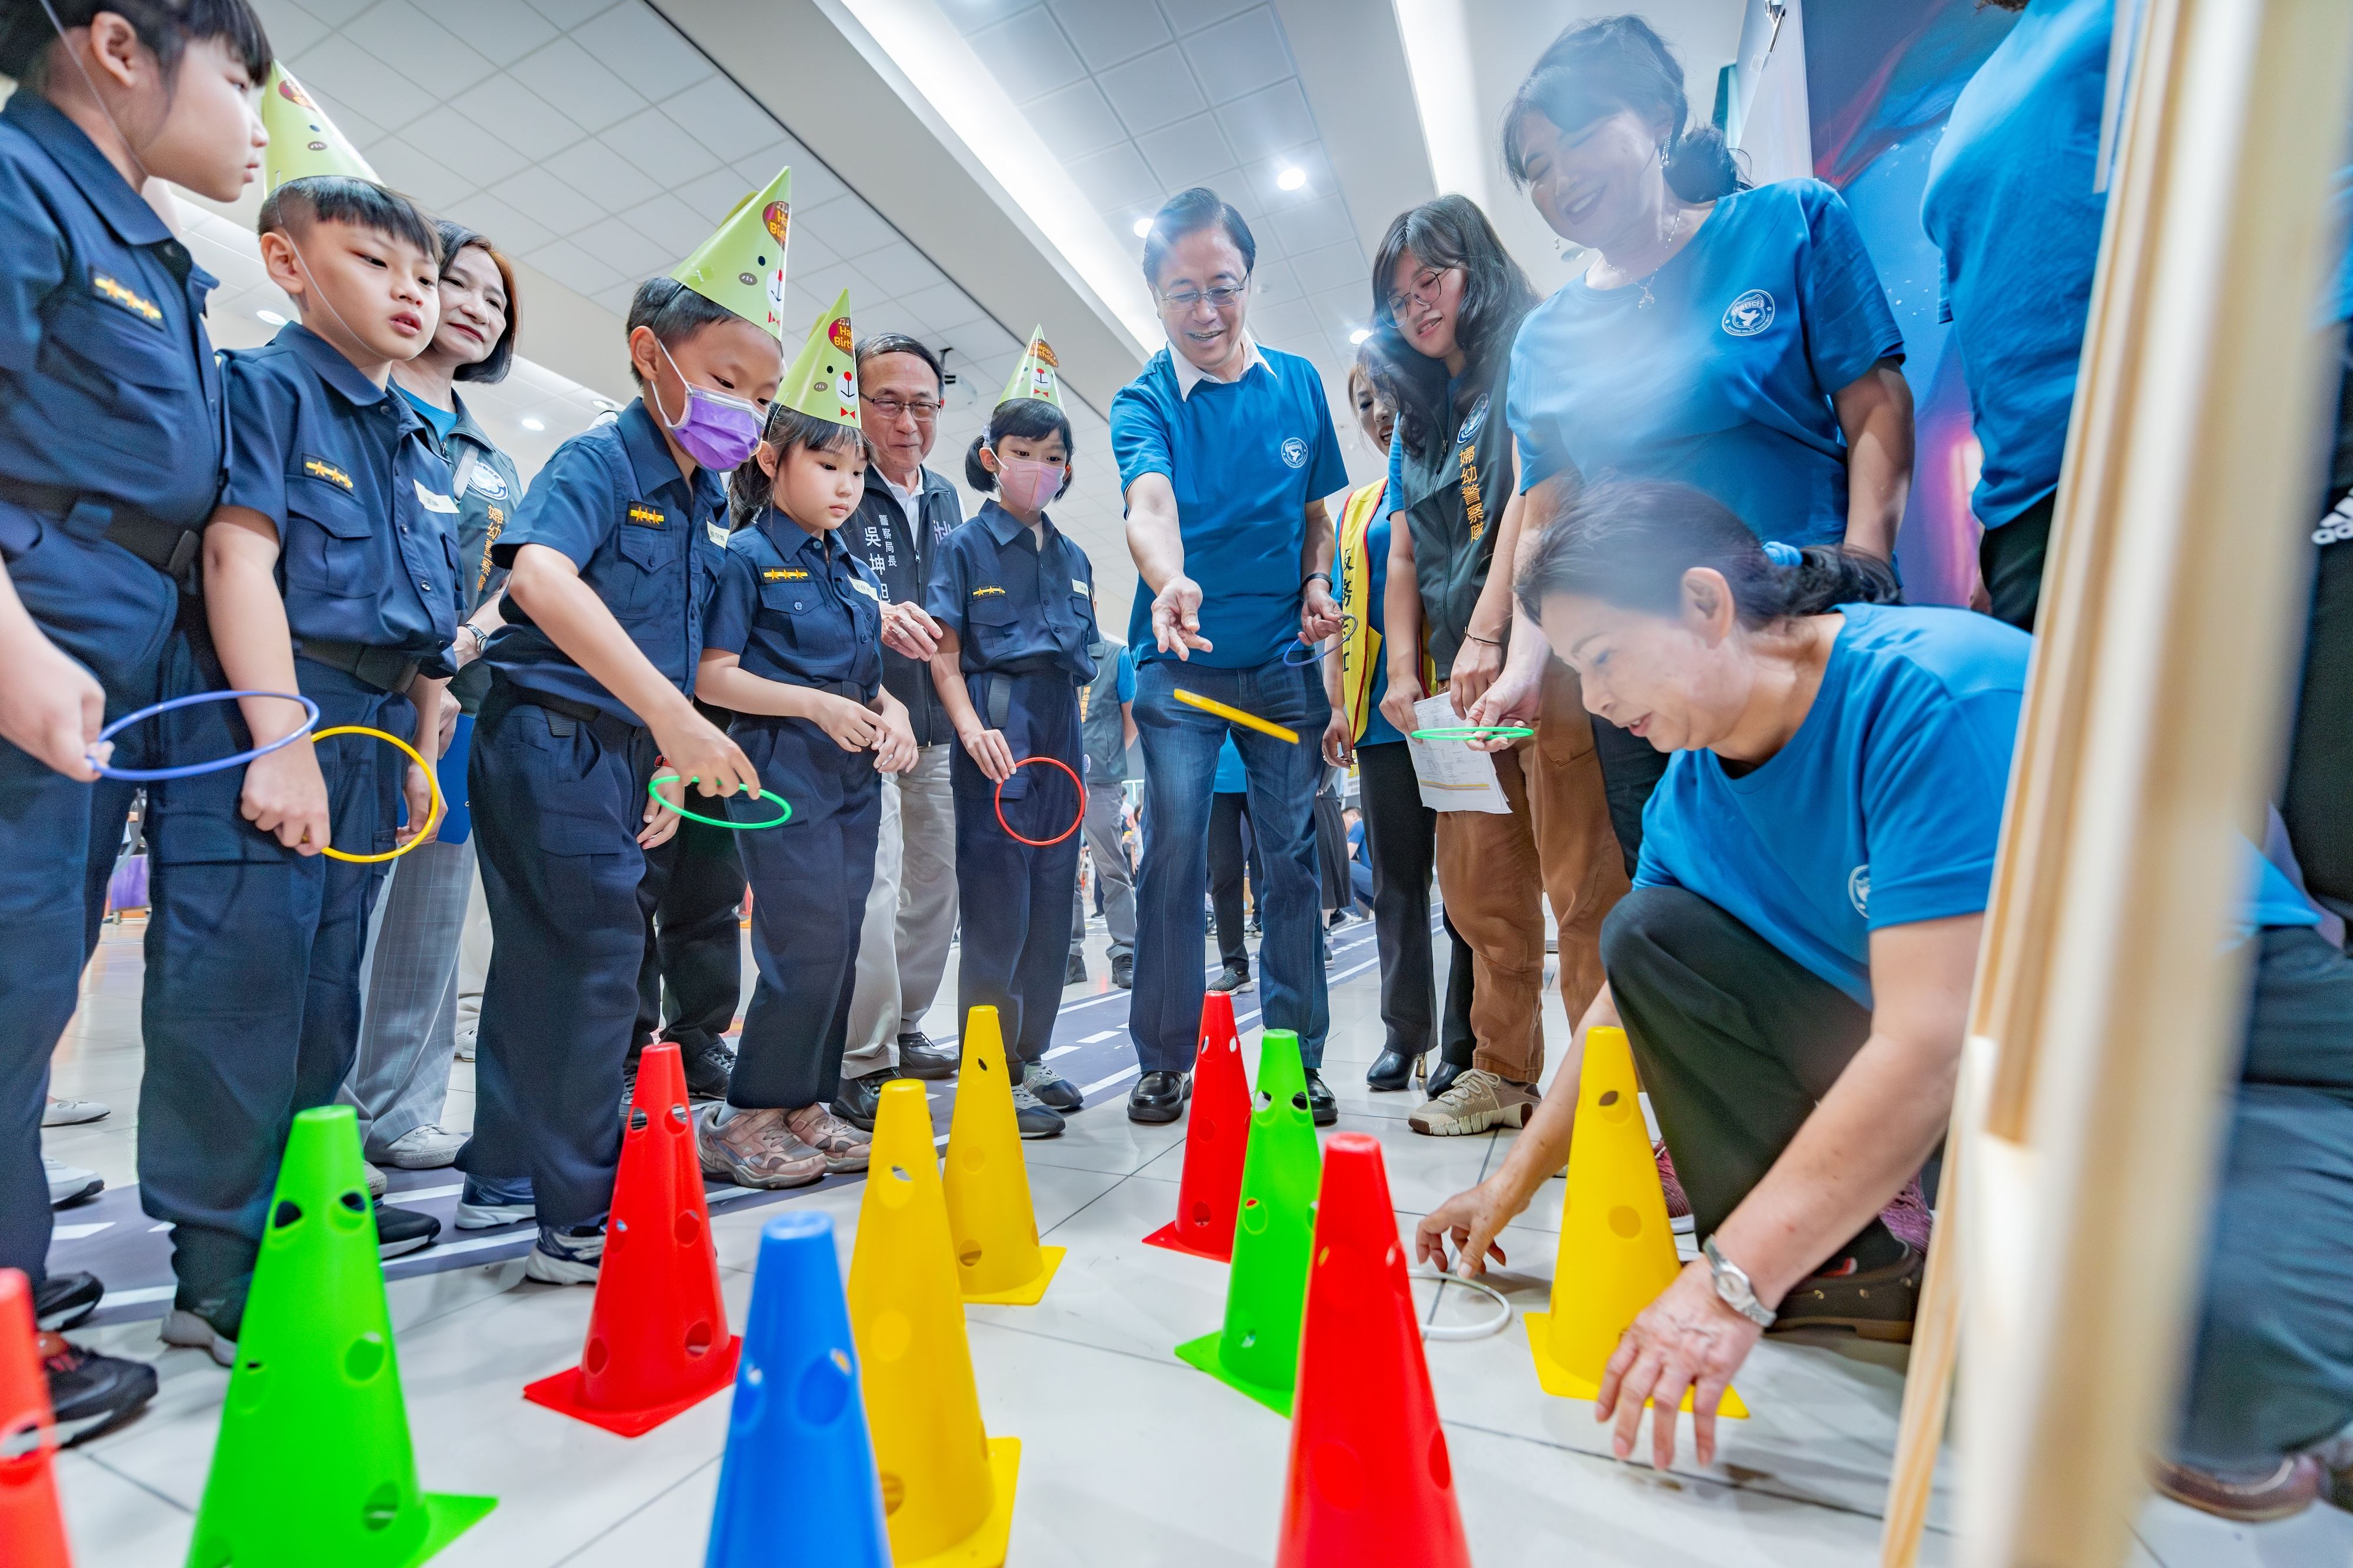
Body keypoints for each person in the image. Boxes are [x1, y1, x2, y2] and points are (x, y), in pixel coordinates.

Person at [1415, 477, 2353, 1521]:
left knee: (2212, 1354)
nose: (1594, 703)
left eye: (1602, 659)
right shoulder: (1697, 788)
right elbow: (1613, 1016)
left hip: (2223, 1046)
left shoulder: (1931, 694)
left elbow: (1930, 1047)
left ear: (1705, 604)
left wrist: (1729, 1284)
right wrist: (1515, 1187)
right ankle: (1865, 1263)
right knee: (1652, 935)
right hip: (2023, 1074)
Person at [0, 0, 272, 1436]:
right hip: (39, 636)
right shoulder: (22, 186)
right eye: (239, 80)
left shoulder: (140, 239)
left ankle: (13, 1277)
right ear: (118, 46)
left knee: (36, 986)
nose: (254, 120)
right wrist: (17, 652)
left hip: (117, 643)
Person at [151, 150, 458, 1363]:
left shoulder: (412, 434)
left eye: (423, 273)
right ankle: (215, 1269)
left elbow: (420, 614)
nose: (410, 291)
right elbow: (239, 561)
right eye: (372, 261)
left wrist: (422, 740)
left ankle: (307, 1207)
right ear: (285, 262)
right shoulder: (266, 389)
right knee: (237, 989)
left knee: (328, 988)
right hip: (279, 704)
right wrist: (280, 740)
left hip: (377, 726)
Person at [454, 171, 786, 1284]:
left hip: (612, 752)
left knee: (551, 960)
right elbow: (541, 580)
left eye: (761, 389)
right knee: (599, 958)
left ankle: (506, 1168)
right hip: (545, 730)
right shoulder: (605, 459)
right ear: (652, 354)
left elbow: (656, 629)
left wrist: (659, 764)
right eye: (726, 378)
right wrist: (673, 719)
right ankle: (579, 1215)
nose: (745, 404)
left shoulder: (700, 496)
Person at [1487, 16, 1914, 866]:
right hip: (1640, 670)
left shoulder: (1790, 224)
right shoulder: (1546, 339)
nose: (1561, 179)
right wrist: (1522, 661)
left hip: (1796, 625)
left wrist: (1863, 569)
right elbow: (1545, 515)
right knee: (1695, 899)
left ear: (1654, 116)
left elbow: (1875, 407)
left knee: (1846, 871)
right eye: (1537, 169)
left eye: (1579, 142)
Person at [1366, 196, 1626, 1137]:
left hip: (1544, 652)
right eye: (1399, 299)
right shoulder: (1415, 418)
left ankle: (1604, 1097)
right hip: (1457, 687)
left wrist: (1488, 632)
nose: (1418, 308)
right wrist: (1404, 671)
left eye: (1431, 281)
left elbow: (1541, 494)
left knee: (1581, 877)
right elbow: (1400, 550)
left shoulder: (1537, 346)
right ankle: (1501, 1072)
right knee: (1479, 887)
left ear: (1475, 268)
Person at [1114, 186, 1347, 1126]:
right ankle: (1166, 1057)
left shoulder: (1297, 383)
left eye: (1224, 286)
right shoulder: (1146, 399)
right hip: (1182, 658)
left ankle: (1293, 1060)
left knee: (1290, 859)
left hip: (1282, 663)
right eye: (1183, 293)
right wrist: (1169, 579)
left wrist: (1318, 584)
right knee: (1173, 851)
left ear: (1248, 280)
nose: (1206, 312)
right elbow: (1149, 504)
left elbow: (1317, 514)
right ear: (1155, 296)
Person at [694, 291, 914, 1186]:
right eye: (827, 466)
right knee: (797, 942)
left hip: (851, 783)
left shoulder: (853, 572)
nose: (846, 487)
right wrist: (816, 707)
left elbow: (870, 677)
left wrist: (892, 715)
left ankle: (806, 1102)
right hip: (780, 774)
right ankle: (747, 1113)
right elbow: (713, 676)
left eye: (856, 473)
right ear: (772, 459)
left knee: (841, 940)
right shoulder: (744, 556)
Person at [344, 218, 521, 1175]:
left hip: (462, 706)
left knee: (431, 916)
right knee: (352, 909)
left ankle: (402, 1111)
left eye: (496, 301)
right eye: (462, 285)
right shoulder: (363, 408)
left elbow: (511, 577)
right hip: (367, 694)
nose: (477, 309)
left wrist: (467, 645)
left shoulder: (494, 460)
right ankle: (328, 1118)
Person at [926, 332, 1098, 1138]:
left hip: (1062, 735)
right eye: (1023, 450)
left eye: (1052, 453)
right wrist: (969, 732)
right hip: (997, 734)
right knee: (999, 913)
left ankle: (1030, 1059)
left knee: (1052, 908)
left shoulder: (1076, 557)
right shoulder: (962, 547)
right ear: (992, 457)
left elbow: (1084, 663)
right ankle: (988, 1075)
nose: (1039, 465)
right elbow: (945, 656)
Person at [1918, 0, 2107, 634]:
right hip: (2031, 513)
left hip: (2213, 424)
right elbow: (1989, 336)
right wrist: (1992, 536)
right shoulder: (1977, 96)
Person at [1326, 359, 1478, 1096]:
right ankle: (1403, 1033)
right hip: (1383, 724)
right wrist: (1337, 706)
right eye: (1365, 402)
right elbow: (1348, 620)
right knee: (1395, 885)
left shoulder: (1457, 474)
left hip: (1452, 711)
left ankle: (1466, 1037)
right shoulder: (1357, 508)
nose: (1380, 412)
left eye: (1389, 395)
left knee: (1469, 883)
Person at [831, 332, 962, 1127]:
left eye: (923, 404)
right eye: (888, 402)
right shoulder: (838, 477)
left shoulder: (946, 495)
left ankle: (910, 1023)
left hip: (941, 716)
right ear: (856, 402)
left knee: (936, 883)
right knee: (875, 884)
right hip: (867, 712)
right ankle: (865, 1054)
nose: (907, 421)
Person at [1070, 605, 1138, 989]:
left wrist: (1110, 757)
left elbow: (1132, 719)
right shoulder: (1056, 652)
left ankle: (1125, 951)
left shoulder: (1116, 655)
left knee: (1111, 866)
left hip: (1102, 779)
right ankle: (1071, 953)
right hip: (1060, 777)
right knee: (1062, 871)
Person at [1204, 735, 1257, 995]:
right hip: (1217, 781)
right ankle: (1235, 966)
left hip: (1263, 772)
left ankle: (1292, 957)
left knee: (1278, 870)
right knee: (1224, 875)